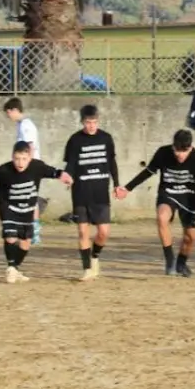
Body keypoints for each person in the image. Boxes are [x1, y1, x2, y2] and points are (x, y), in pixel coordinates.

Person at [123, 129, 195, 277]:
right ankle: (170, 260)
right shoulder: (163, 153)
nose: (180, 155)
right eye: (177, 150)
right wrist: (127, 188)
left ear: (190, 148)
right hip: (168, 193)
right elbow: (148, 172)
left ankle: (181, 264)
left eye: (184, 151)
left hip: (189, 197)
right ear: (173, 146)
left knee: (190, 238)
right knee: (162, 217)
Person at [0, 142, 71, 283]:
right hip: (8, 207)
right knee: (11, 237)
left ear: (29, 157)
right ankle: (11, 268)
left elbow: (53, 172)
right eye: (17, 158)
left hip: (27, 210)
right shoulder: (4, 170)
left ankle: (15, 268)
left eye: (24, 159)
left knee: (25, 243)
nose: (20, 162)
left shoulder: (37, 167)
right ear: (12, 157)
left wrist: (64, 176)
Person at [63, 104, 126, 281]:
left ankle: (95, 257)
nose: (91, 126)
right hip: (81, 192)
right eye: (88, 122)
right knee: (83, 232)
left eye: (95, 122)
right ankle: (86, 268)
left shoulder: (106, 138)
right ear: (82, 122)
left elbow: (112, 162)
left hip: (100, 192)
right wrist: (68, 176)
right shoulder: (74, 140)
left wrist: (117, 184)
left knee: (103, 232)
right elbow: (71, 163)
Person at [4, 97, 43, 244]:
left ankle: (35, 231)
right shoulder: (22, 125)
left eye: (9, 113)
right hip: (28, 164)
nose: (9, 116)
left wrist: (28, 166)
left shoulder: (26, 125)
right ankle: (31, 229)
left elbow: (29, 146)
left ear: (14, 110)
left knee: (30, 198)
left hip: (30, 165)